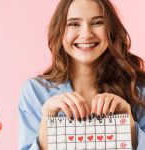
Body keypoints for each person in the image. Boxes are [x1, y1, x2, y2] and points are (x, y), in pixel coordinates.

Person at [18, 0, 145, 149]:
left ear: (111, 29)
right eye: (74, 24)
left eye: (98, 22)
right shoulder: (34, 91)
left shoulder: (138, 89)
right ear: (59, 30)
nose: (86, 34)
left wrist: (129, 125)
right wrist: (47, 118)